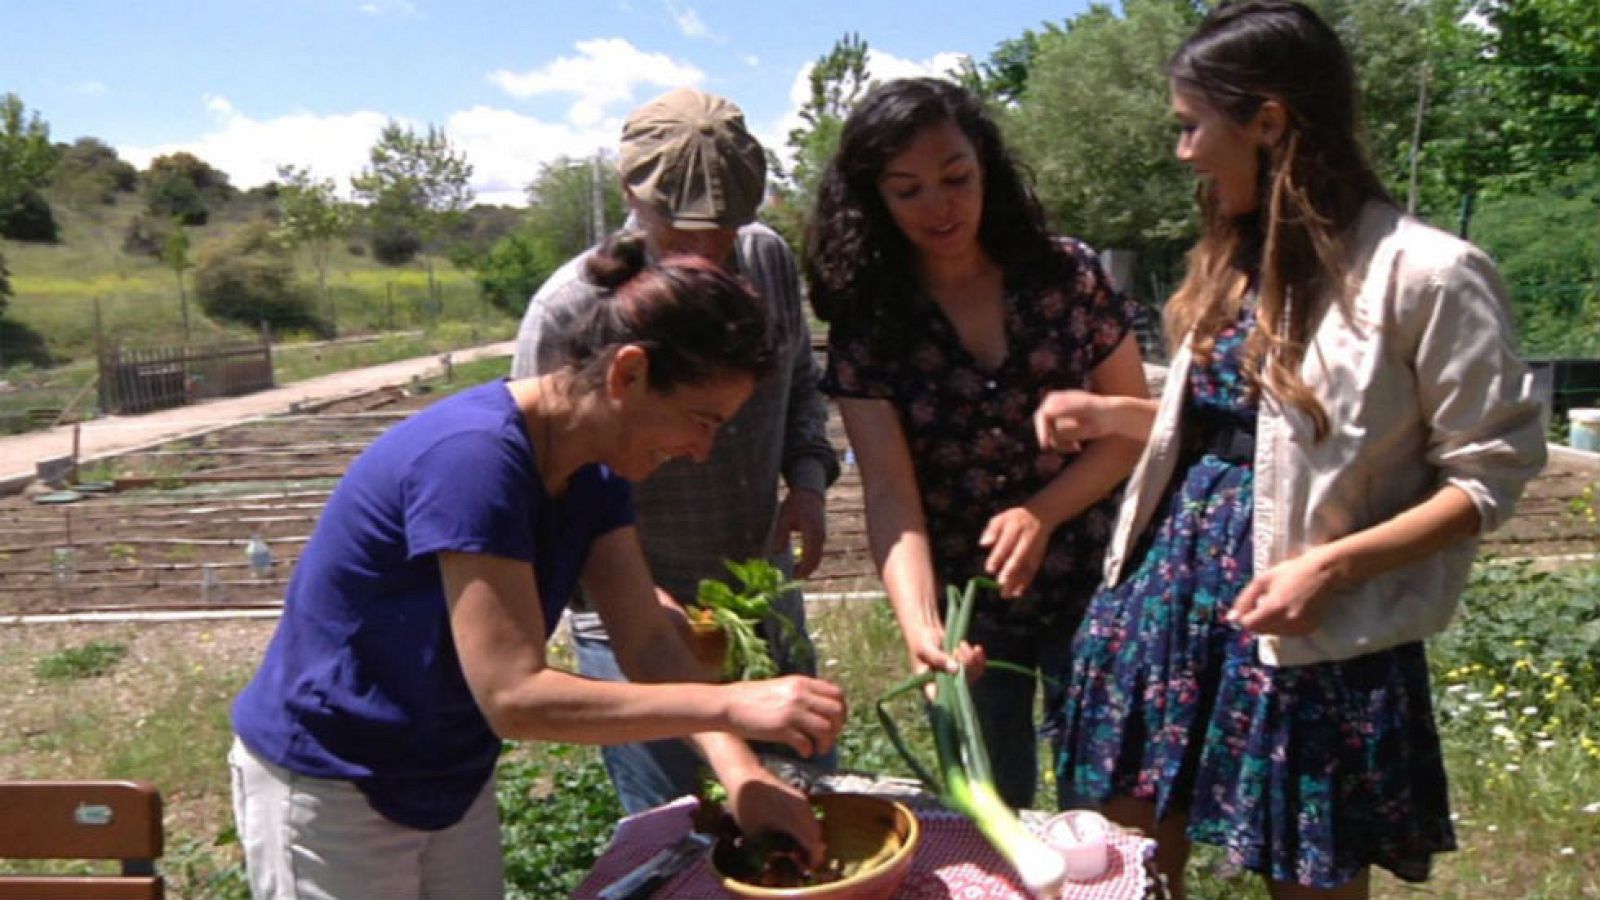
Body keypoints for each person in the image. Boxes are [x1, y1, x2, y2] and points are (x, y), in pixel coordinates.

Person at [1046, 3, 1547, 898]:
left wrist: (1335, 568)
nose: (1184, 151)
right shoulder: (1234, 260)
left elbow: (1490, 473)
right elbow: (1248, 432)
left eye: (1194, 125)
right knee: (1120, 866)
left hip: (1311, 628)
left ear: (1268, 123)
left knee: (1307, 874)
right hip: (1167, 603)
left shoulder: (1427, 274)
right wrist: (1118, 414)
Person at [230, 237, 847, 900]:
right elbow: (514, 697)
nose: (700, 449)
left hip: (448, 777)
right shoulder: (474, 461)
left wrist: (741, 773)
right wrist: (733, 702)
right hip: (333, 782)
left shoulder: (593, 472)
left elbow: (646, 642)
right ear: (628, 373)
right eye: (699, 419)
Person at [804, 77, 1150, 810]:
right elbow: (892, 494)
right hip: (966, 604)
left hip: (1097, 579)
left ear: (986, 166)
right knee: (996, 810)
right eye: (908, 190)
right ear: (875, 201)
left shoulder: (1067, 275)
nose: (940, 206)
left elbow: (1133, 430)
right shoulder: (872, 322)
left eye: (957, 178)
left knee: (1115, 805)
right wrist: (922, 629)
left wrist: (1042, 512)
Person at [512, 86, 840, 814]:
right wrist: (627, 593)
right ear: (632, 193)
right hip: (631, 616)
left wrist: (808, 484)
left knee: (806, 802)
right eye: (683, 233)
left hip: (759, 593)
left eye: (723, 232)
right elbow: (540, 487)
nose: (708, 252)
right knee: (673, 829)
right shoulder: (569, 310)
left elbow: (798, 388)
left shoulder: (767, 262)